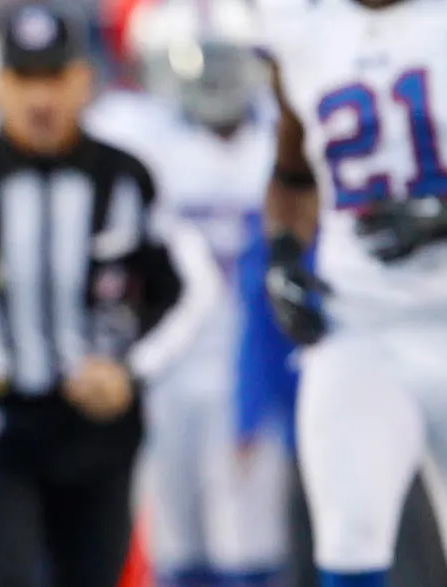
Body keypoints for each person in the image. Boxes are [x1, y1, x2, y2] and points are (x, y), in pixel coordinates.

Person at [0, 3, 216, 586]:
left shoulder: (127, 174)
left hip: (96, 432)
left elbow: (192, 287)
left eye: (55, 77)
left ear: (84, 81)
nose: (41, 99)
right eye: (24, 79)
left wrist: (131, 371)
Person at [255, 0, 447, 585]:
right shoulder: (299, 27)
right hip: (359, 329)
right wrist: (281, 256)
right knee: (349, 552)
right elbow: (292, 179)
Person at [120, 1, 290, 585]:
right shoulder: (139, 137)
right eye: (196, 62)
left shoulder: (279, 135)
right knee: (175, 535)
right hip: (167, 365)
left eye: (225, 60)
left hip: (256, 359)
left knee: (252, 536)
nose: (212, 78)